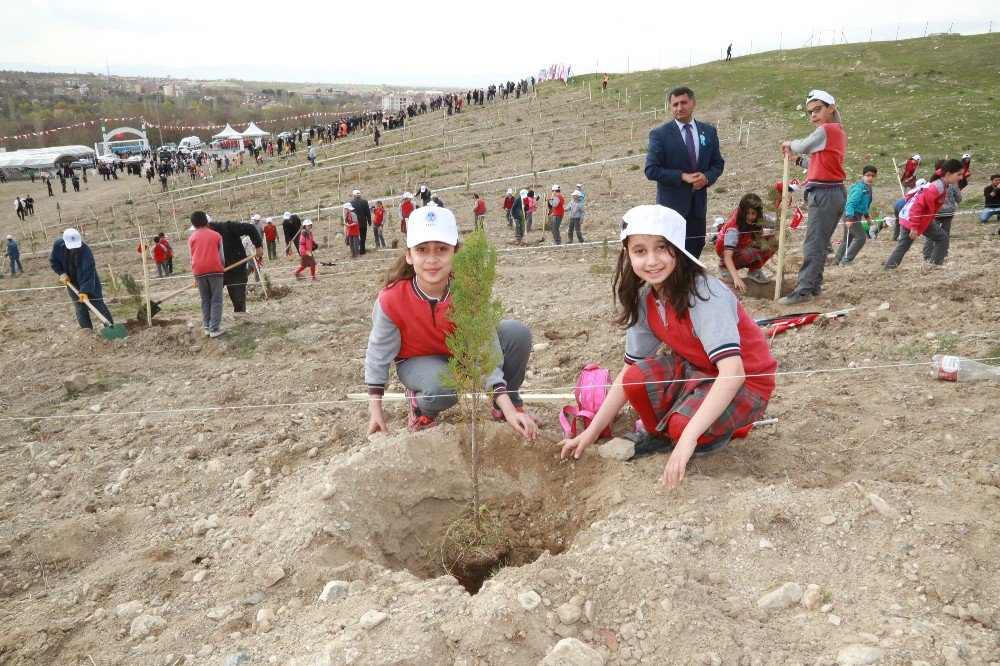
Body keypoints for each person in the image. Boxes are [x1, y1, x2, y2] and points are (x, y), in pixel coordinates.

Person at [559, 205, 776, 489]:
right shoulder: (646, 300)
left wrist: (687, 440)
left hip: (747, 383)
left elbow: (733, 371)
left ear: (676, 248)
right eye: (640, 250)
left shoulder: (704, 293)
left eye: (661, 247)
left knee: (683, 428)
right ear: (628, 255)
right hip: (698, 371)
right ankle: (658, 435)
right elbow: (627, 375)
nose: (651, 261)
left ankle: (706, 434)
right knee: (637, 378)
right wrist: (588, 434)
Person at [364, 205, 539, 438]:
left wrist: (508, 408)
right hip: (418, 361)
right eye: (422, 249)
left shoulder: (468, 290)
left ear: (456, 253)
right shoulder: (391, 298)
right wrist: (375, 408)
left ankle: (507, 407)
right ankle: (421, 408)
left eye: (442, 249)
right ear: (409, 255)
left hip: (462, 354)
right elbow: (378, 352)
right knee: (444, 386)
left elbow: (485, 346)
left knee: (516, 333)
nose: (432, 259)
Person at [778, 89, 847, 305]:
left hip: (825, 194)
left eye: (817, 109)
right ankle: (814, 284)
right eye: (810, 112)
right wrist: (797, 161)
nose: (813, 115)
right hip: (833, 192)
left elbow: (804, 145)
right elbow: (817, 163)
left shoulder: (827, 129)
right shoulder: (835, 133)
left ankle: (803, 290)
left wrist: (790, 144)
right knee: (821, 242)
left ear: (831, 108)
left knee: (813, 244)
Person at [644, 86, 726, 259]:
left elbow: (718, 163)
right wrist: (682, 176)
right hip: (671, 208)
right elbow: (651, 170)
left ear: (693, 103)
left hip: (698, 208)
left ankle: (688, 285)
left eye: (683, 103)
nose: (679, 108)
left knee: (694, 250)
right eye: (674, 104)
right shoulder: (660, 134)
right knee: (669, 253)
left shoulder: (709, 132)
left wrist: (707, 177)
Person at [883, 159, 964, 270]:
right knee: (904, 245)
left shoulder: (941, 184)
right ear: (949, 174)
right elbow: (916, 206)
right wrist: (914, 227)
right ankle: (888, 270)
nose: (960, 177)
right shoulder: (936, 187)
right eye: (958, 174)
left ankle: (933, 268)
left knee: (942, 237)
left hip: (921, 219)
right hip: (912, 219)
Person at [49, 228, 116, 331]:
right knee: (80, 309)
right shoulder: (58, 245)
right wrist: (61, 273)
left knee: (99, 305)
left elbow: (89, 272)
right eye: (71, 247)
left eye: (76, 246)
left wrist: (84, 290)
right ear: (65, 243)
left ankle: (112, 329)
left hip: (90, 282)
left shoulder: (86, 250)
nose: (74, 249)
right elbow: (53, 261)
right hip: (72, 283)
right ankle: (88, 333)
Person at [715, 193, 776, 293]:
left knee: (774, 243)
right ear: (741, 211)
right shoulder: (733, 228)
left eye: (754, 213)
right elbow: (727, 256)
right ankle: (724, 268)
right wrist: (736, 278)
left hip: (746, 245)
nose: (750, 217)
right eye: (747, 213)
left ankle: (754, 270)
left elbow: (777, 223)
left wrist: (790, 220)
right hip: (727, 253)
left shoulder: (759, 218)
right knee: (748, 253)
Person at [208, 217, 264, 313]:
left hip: (236, 270)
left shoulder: (228, 227)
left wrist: (258, 246)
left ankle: (241, 319)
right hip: (216, 272)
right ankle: (213, 322)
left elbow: (250, 228)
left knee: (239, 301)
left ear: (209, 224)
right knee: (211, 299)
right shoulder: (201, 236)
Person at [188, 212, 226, 337]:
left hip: (198, 271)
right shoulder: (216, 235)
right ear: (207, 221)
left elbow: (191, 256)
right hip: (215, 270)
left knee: (205, 300)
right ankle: (214, 328)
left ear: (193, 224)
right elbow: (221, 257)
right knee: (216, 299)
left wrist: (195, 273)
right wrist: (222, 267)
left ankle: (206, 325)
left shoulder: (192, 238)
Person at [834, 165, 877, 266]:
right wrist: (849, 219)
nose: (870, 178)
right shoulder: (859, 188)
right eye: (868, 175)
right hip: (851, 216)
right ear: (863, 176)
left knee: (847, 240)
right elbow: (850, 204)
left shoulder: (868, 189)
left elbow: (865, 206)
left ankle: (835, 262)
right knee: (861, 238)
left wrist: (868, 220)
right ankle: (846, 261)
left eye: (873, 176)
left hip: (856, 216)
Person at [922, 164, 962, 263]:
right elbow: (959, 198)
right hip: (948, 213)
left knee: (931, 235)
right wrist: (953, 204)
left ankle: (927, 255)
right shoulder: (953, 184)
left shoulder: (932, 182)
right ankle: (943, 254)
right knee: (945, 235)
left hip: (935, 213)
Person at [352, 189, 372, 255]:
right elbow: (368, 213)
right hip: (363, 223)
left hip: (354, 224)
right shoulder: (365, 202)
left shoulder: (351, 203)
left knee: (356, 237)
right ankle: (362, 251)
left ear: (354, 195)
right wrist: (369, 221)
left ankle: (356, 251)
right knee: (363, 237)